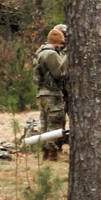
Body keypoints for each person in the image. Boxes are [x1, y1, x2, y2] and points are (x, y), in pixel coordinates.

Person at [32, 28, 68, 161]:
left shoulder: (40, 52)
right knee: (55, 123)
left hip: (43, 93)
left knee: (45, 124)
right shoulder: (51, 54)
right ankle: (52, 154)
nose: (62, 46)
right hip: (52, 94)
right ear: (57, 42)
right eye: (61, 43)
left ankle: (45, 153)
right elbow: (59, 74)